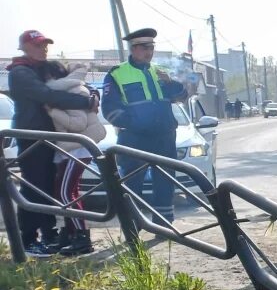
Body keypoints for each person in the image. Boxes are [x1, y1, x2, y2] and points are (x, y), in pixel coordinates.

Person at [6, 30, 100, 257]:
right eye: (38, 45)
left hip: (55, 136)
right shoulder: (20, 72)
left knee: (50, 188)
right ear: (25, 47)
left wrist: (92, 92)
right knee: (33, 187)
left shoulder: (49, 67)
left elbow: (74, 83)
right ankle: (28, 239)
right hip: (32, 137)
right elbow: (46, 94)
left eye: (45, 45)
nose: (43, 49)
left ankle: (50, 234)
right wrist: (85, 102)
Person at [101, 29, 188, 224]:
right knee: (132, 184)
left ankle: (164, 225)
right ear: (133, 49)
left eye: (151, 48)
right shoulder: (117, 73)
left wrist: (171, 82)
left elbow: (182, 97)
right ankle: (133, 228)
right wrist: (135, 125)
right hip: (134, 138)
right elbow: (109, 109)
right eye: (144, 48)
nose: (149, 52)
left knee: (166, 183)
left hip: (164, 137)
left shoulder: (161, 70)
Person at [44, 68, 107, 256]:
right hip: (71, 148)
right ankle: (70, 234)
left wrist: (52, 111)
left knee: (65, 193)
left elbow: (78, 123)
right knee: (66, 192)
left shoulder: (73, 90)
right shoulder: (71, 89)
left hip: (77, 149)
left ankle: (81, 238)